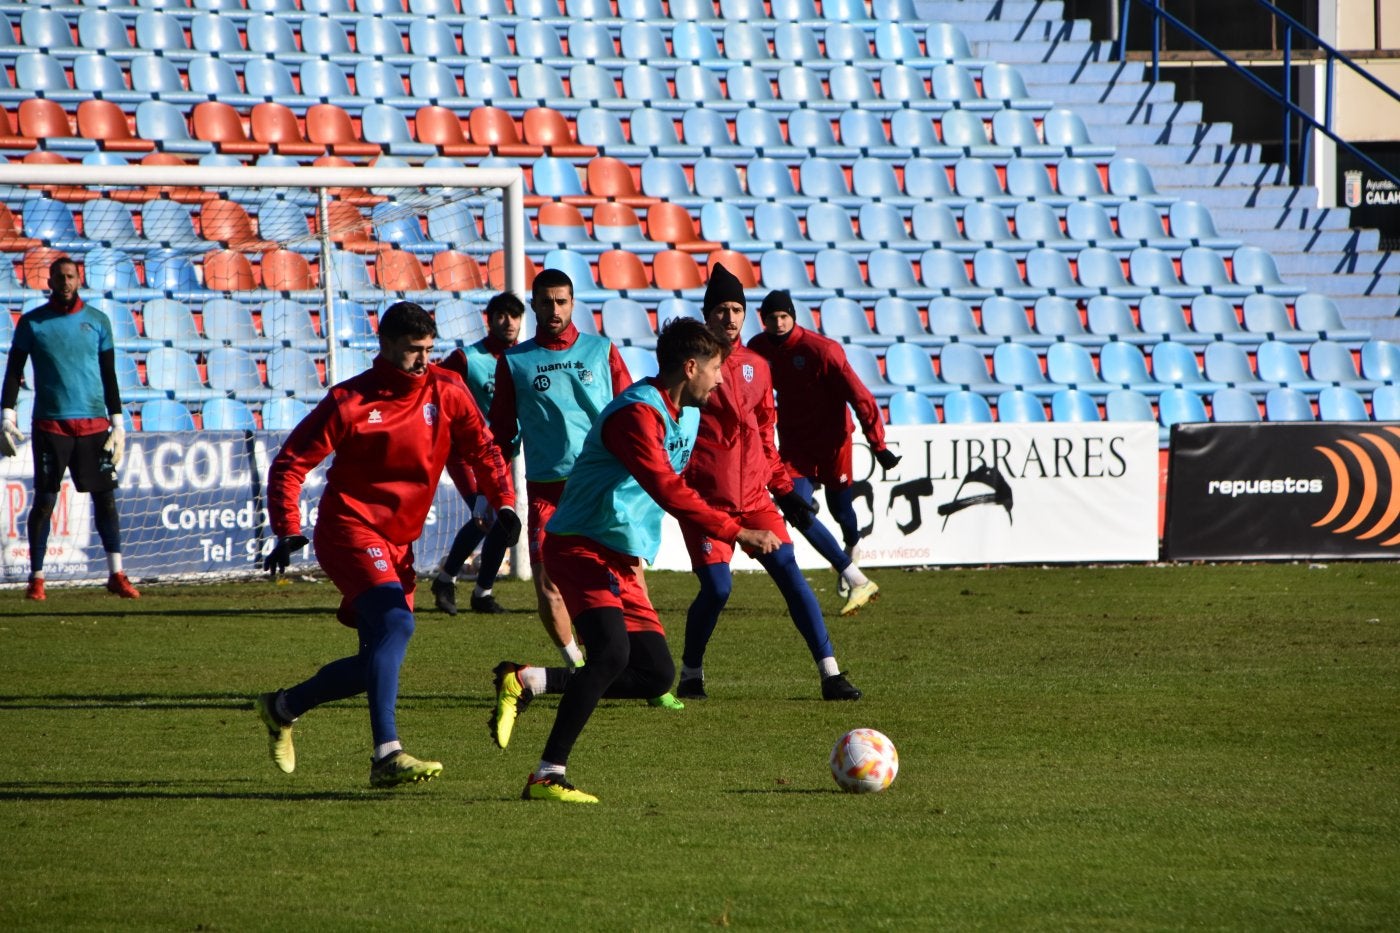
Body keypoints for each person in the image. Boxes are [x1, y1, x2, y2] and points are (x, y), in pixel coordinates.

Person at [501, 317, 781, 803]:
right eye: (715, 368)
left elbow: (691, 478)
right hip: (579, 545)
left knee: (655, 675)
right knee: (610, 654)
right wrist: (736, 531)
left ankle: (528, 680)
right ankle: (548, 773)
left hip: (622, 554)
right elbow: (667, 488)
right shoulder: (637, 414)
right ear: (690, 367)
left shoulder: (688, 413)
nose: (720, 378)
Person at [254, 301, 519, 788]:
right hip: (349, 530)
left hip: (399, 544)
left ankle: (281, 706)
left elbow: (483, 448)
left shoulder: (447, 389)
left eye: (428, 350)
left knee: (372, 664)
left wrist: (504, 502)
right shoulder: (350, 401)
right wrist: (287, 526)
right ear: (385, 346)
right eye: (413, 351)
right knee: (397, 625)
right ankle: (387, 755)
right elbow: (290, 462)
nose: (423, 360)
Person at [675, 264, 861, 702]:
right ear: (706, 314)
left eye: (737, 309)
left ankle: (830, 673)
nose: (730, 317)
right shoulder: (690, 366)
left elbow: (764, 436)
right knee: (718, 588)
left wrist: (783, 490)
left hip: (755, 499)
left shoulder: (758, 366)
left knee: (789, 572)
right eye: (721, 309)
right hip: (708, 502)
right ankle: (690, 672)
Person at [487, 269, 631, 669]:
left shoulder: (601, 351)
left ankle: (642, 668)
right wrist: (495, 493)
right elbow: (500, 434)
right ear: (533, 305)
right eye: (546, 302)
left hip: (600, 485)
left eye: (562, 301)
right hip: (547, 491)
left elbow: (632, 415)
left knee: (625, 580)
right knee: (548, 586)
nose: (554, 309)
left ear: (573, 303)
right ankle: (578, 667)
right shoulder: (515, 361)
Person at [748, 289, 900, 616]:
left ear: (793, 317)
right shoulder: (757, 350)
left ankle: (853, 543)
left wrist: (879, 445)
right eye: (771, 318)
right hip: (794, 446)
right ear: (762, 319)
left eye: (783, 317)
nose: (778, 323)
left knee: (841, 510)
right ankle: (857, 578)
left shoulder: (823, 350)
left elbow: (861, 397)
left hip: (833, 443)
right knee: (798, 511)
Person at [0, 257, 139, 601]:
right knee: (45, 500)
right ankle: (37, 577)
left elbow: (109, 376)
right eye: (60, 276)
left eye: (71, 276)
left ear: (79, 279)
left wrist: (118, 423)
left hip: (94, 424)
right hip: (51, 424)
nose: (65, 281)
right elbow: (14, 370)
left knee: (106, 500)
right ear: (49, 281)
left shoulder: (97, 321)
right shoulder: (33, 323)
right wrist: (7, 414)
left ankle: (116, 573)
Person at [431, 291, 525, 616]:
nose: (508, 322)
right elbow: (435, 387)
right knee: (486, 517)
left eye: (514, 316)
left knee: (501, 521)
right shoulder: (466, 359)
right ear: (490, 319)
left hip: (502, 456)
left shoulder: (523, 360)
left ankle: (480, 592)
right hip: (465, 455)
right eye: (501, 315)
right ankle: (449, 581)